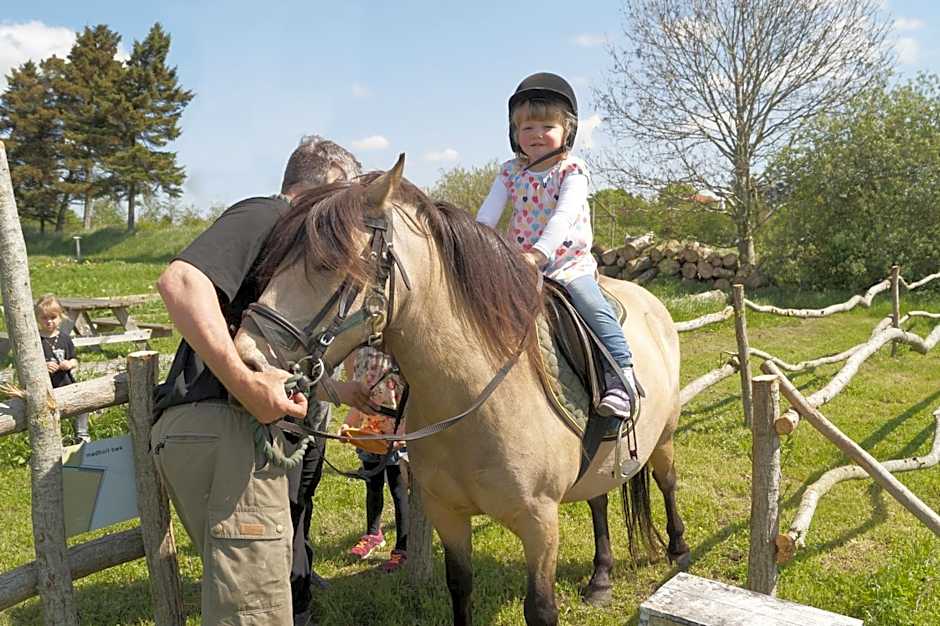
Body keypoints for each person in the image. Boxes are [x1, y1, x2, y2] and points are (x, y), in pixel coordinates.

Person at [151, 135, 369, 626]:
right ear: (326, 183)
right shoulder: (266, 214)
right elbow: (181, 283)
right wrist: (248, 389)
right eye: (345, 198)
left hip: (221, 431)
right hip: (228, 427)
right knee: (254, 614)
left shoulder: (289, 244)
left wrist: (335, 390)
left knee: (243, 600)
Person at [476, 72, 639, 418]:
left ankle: (621, 374)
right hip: (517, 264)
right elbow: (487, 215)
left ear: (567, 131)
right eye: (526, 128)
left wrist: (539, 253)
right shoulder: (510, 172)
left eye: (546, 127)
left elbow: (562, 217)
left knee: (590, 304)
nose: (536, 135)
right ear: (514, 134)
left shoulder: (572, 170)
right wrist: (471, 246)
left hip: (566, 263)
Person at [339, 347, 409, 573]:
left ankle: (402, 547)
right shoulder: (364, 374)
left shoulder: (397, 376)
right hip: (369, 440)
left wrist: (401, 436)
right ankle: (373, 533)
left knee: (399, 493)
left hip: (392, 442)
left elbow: (407, 410)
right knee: (373, 486)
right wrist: (348, 426)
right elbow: (358, 408)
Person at [35, 294, 89, 443]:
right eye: (44, 318)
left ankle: (82, 434)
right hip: (47, 387)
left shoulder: (64, 338)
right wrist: (43, 367)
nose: (49, 321)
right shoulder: (36, 340)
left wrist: (69, 364)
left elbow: (75, 359)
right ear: (38, 318)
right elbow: (30, 364)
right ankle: (52, 438)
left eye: (53, 317)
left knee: (83, 404)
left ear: (60, 317)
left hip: (66, 382)